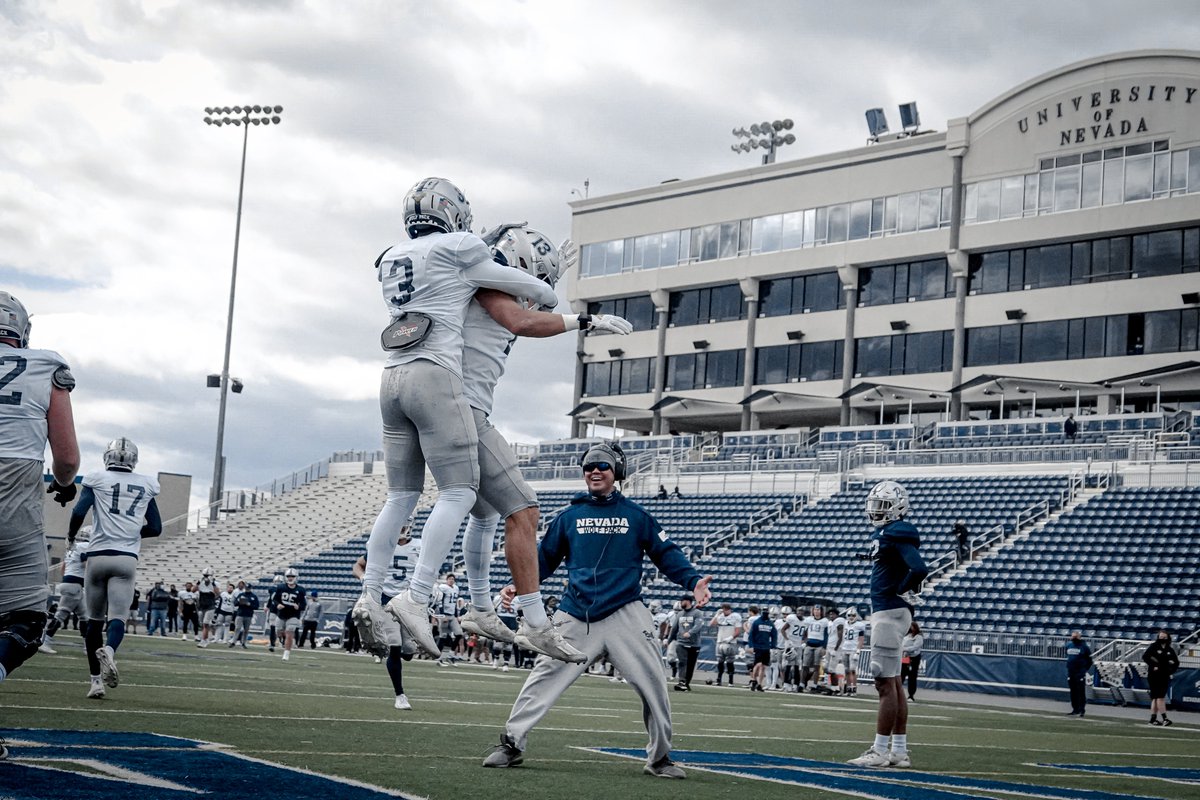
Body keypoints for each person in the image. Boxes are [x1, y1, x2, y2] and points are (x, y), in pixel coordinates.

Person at [352, 179, 563, 665]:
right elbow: (527, 313)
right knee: (492, 501)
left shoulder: (411, 260)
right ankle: (423, 596)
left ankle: (445, 602)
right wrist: (574, 314)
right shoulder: (480, 276)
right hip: (450, 395)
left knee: (459, 507)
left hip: (399, 379)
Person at [435, 224, 630, 666]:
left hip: (466, 409)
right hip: (462, 411)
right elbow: (523, 317)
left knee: (485, 513)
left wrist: (551, 275)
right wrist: (586, 320)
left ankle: (480, 607)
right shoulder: (486, 286)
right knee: (524, 508)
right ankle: (533, 621)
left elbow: (534, 303)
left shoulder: (504, 290)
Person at [482, 442, 713, 779]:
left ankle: (660, 757)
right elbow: (543, 559)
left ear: (617, 473)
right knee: (543, 677)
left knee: (653, 683)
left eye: (603, 466)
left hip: (625, 612)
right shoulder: (568, 517)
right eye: (589, 466)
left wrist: (692, 581)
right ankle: (512, 743)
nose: (594, 471)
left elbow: (666, 553)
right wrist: (520, 584)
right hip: (575, 612)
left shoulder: (637, 516)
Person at [0, 291, 80, 687]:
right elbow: (66, 459)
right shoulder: (45, 366)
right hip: (13, 504)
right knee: (27, 620)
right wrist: (64, 487)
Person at [69, 437, 162, 697]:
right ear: (134, 459)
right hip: (126, 558)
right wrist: (130, 534)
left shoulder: (97, 479)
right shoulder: (146, 484)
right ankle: (109, 651)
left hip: (97, 556)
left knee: (94, 622)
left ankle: (95, 682)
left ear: (105, 456)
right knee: (118, 617)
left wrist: (70, 536)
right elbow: (155, 527)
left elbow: (78, 513)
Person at [847, 480, 928, 769]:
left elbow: (918, 568)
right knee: (894, 682)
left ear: (898, 506)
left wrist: (903, 589)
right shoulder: (889, 533)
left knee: (884, 683)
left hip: (888, 611)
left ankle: (880, 750)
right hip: (893, 612)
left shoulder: (895, 532)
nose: (876, 511)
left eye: (882, 505)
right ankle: (899, 751)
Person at [352, 519, 420, 710]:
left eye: (402, 526)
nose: (399, 529)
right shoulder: (382, 545)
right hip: (385, 600)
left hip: (408, 603)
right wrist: (363, 577)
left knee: (408, 651)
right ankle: (400, 695)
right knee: (395, 646)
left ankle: (395, 646)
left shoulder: (419, 546)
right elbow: (358, 566)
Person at [40, 527, 90, 654]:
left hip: (69, 582)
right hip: (75, 584)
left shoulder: (74, 547)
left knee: (85, 617)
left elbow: (63, 566)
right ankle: (45, 642)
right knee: (61, 615)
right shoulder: (86, 546)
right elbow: (86, 564)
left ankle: (88, 646)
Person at [1143, 630, 1179, 726]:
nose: (1162, 639)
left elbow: (1176, 662)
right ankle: (1165, 718)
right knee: (1159, 697)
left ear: (1168, 638)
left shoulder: (1169, 650)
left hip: (1164, 675)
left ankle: (1152, 719)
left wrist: (1170, 670)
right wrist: (1153, 664)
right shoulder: (1154, 647)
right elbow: (1145, 656)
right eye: (1161, 637)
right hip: (1154, 675)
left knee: (1156, 698)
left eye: (1164, 637)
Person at [669, 596, 703, 691]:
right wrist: (669, 640)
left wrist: (690, 632)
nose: (680, 603)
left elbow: (698, 625)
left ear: (688, 601)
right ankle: (682, 681)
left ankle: (686, 683)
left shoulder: (697, 613)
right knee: (682, 662)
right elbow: (674, 628)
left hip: (694, 643)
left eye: (682, 601)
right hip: (681, 642)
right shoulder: (680, 614)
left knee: (691, 665)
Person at [271, 568, 306, 662]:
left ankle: (286, 653)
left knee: (289, 634)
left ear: (296, 577)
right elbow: (274, 599)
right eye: (288, 576)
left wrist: (298, 607)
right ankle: (282, 640)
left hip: (293, 615)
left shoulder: (301, 590)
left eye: (292, 576)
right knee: (278, 631)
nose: (290, 578)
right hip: (281, 614)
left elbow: (303, 604)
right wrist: (278, 604)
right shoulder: (281, 587)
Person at [709, 603, 742, 686]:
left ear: (729, 609)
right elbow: (711, 624)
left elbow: (738, 631)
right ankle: (719, 679)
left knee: (730, 662)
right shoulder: (720, 616)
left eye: (725, 609)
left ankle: (730, 681)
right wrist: (716, 615)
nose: (724, 611)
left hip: (730, 642)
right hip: (720, 641)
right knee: (720, 662)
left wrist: (730, 638)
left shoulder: (735, 616)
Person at [799, 604, 829, 692]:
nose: (816, 612)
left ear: (821, 611)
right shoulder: (809, 620)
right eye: (815, 610)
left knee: (816, 667)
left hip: (819, 645)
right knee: (805, 666)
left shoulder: (825, 621)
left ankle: (815, 685)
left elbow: (826, 635)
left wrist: (824, 647)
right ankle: (802, 684)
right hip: (809, 644)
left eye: (818, 610)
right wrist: (804, 641)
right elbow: (804, 631)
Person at [746, 605, 776, 692]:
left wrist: (773, 646)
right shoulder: (757, 622)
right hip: (758, 646)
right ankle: (754, 680)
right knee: (757, 665)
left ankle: (759, 684)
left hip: (766, 647)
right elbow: (751, 635)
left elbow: (774, 635)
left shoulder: (770, 624)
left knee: (763, 666)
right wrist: (751, 646)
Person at [839, 606, 867, 696]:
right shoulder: (844, 623)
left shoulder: (860, 625)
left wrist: (858, 650)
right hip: (844, 648)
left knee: (852, 669)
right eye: (850, 615)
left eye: (853, 615)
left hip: (853, 649)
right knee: (846, 670)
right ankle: (847, 688)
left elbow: (861, 639)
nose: (851, 617)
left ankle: (854, 688)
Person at [1065, 630, 1093, 717]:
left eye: (1075, 637)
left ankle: (1081, 710)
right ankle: (1075, 709)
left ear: (1079, 637)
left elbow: (1089, 661)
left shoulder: (1084, 647)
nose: (1073, 638)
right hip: (1071, 672)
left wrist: (1084, 670)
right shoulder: (1068, 645)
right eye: (1072, 636)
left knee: (1080, 691)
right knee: (1073, 691)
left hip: (1080, 672)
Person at [195, 568, 218, 647]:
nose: (206, 577)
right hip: (202, 606)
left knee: (205, 623)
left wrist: (213, 584)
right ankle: (206, 639)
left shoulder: (214, 583)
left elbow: (218, 594)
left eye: (207, 575)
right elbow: (192, 590)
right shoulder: (200, 582)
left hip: (210, 606)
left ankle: (203, 640)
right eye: (205, 575)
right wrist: (198, 583)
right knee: (203, 624)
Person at [900, 621, 924, 701]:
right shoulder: (907, 636)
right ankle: (898, 693)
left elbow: (916, 647)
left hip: (914, 658)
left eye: (912, 627)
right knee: (901, 675)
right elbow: (902, 644)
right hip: (905, 657)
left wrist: (905, 649)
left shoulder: (919, 637)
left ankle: (911, 695)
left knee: (912, 677)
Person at [231, 583, 259, 648]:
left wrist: (250, 605)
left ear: (250, 588)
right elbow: (235, 603)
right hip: (240, 613)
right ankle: (233, 641)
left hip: (248, 614)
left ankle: (243, 643)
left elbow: (256, 606)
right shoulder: (241, 595)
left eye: (248, 588)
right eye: (246, 588)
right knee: (237, 628)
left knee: (246, 630)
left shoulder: (253, 596)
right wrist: (240, 602)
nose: (247, 590)